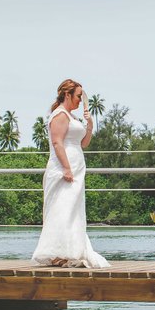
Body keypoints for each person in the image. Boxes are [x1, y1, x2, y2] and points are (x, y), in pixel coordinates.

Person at [31, 79, 109, 268]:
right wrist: (66, 168)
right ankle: (56, 252)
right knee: (61, 208)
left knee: (73, 210)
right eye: (78, 96)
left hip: (77, 166)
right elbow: (57, 142)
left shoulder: (73, 117)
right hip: (63, 168)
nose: (80, 100)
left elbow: (83, 143)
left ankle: (69, 251)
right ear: (67, 94)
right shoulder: (59, 115)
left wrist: (89, 125)